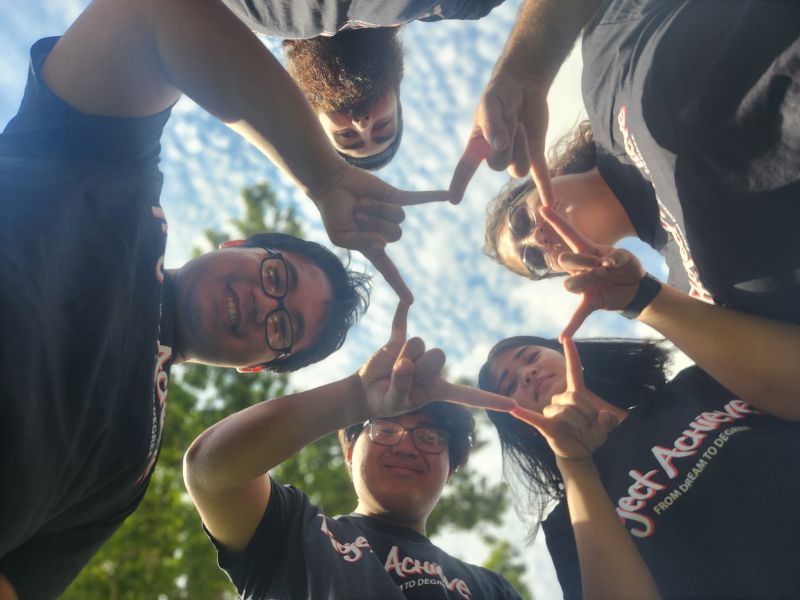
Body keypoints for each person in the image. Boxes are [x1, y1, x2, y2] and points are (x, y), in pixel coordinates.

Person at [0, 0, 451, 592]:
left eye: (282, 329)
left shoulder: (131, 469)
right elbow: (156, 14)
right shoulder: (117, 173)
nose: (266, 305)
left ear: (255, 364)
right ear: (237, 244)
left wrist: (358, 397)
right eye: (276, 277)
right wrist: (325, 177)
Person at [452, 0, 800, 326]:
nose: (537, 240)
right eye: (535, 260)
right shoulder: (691, 294)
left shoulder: (602, 71)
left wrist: (524, 72)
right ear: (568, 272)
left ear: (551, 173)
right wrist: (648, 304)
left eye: (520, 222)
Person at [183, 303, 523, 599]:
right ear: (349, 453)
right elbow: (210, 471)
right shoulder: (293, 534)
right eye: (385, 429)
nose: (406, 445)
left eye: (431, 437)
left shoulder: (492, 589)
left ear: (450, 470)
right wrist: (356, 395)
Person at [478, 333, 800, 598]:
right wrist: (575, 465)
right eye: (510, 385)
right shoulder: (571, 522)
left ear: (568, 352)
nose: (527, 373)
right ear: (520, 426)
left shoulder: (695, 385)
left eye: (531, 357)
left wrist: (645, 299)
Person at [219, 0, 505, 169]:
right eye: (383, 126)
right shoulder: (456, 5)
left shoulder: (243, 16)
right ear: (396, 94)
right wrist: (523, 67)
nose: (362, 124)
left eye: (346, 136)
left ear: (314, 115)